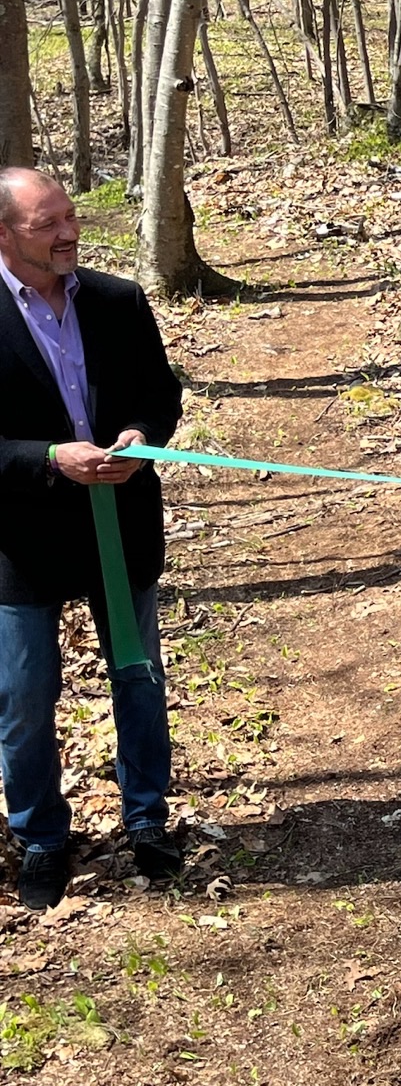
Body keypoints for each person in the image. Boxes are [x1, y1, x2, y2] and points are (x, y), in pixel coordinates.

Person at [0, 166, 184, 909]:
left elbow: (160, 397)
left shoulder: (117, 299)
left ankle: (146, 818)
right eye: (49, 225)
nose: (70, 232)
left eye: (70, 217)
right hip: (21, 542)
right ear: (5, 235)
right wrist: (49, 456)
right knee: (23, 696)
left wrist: (140, 436)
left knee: (138, 679)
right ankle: (41, 837)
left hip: (122, 525)